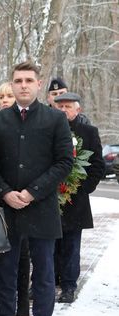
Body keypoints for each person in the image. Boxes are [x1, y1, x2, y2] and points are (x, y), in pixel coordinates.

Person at [0, 61, 73, 316]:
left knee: (44, 271)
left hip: (41, 206)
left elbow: (65, 161)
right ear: (11, 85)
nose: (23, 85)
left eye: (28, 80)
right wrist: (5, 192)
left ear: (38, 84)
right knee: (6, 269)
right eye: (18, 80)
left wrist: (32, 192)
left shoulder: (54, 119)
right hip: (7, 207)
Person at [53, 92, 104, 303]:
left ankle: (68, 286)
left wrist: (83, 188)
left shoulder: (88, 132)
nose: (64, 110)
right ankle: (46, 281)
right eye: (60, 106)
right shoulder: (49, 130)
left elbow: (97, 165)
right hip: (50, 196)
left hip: (76, 198)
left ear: (78, 110)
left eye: (68, 107)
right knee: (49, 244)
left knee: (71, 245)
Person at [0, 81, 31, 316]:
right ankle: (5, 309)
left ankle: (22, 303)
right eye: (2, 96)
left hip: (26, 197)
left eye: (9, 95)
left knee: (23, 254)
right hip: (0, 196)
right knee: (5, 256)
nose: (6, 99)